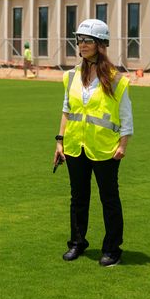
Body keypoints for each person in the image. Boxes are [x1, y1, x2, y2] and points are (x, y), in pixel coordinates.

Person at [53, 19, 133, 267]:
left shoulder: (116, 79)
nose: (82, 44)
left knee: (109, 198)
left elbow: (126, 115)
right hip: (76, 145)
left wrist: (123, 144)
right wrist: (59, 141)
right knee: (78, 197)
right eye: (80, 40)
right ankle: (77, 243)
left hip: (105, 148)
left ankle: (112, 248)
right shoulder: (71, 76)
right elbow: (67, 110)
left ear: (101, 44)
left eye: (88, 40)